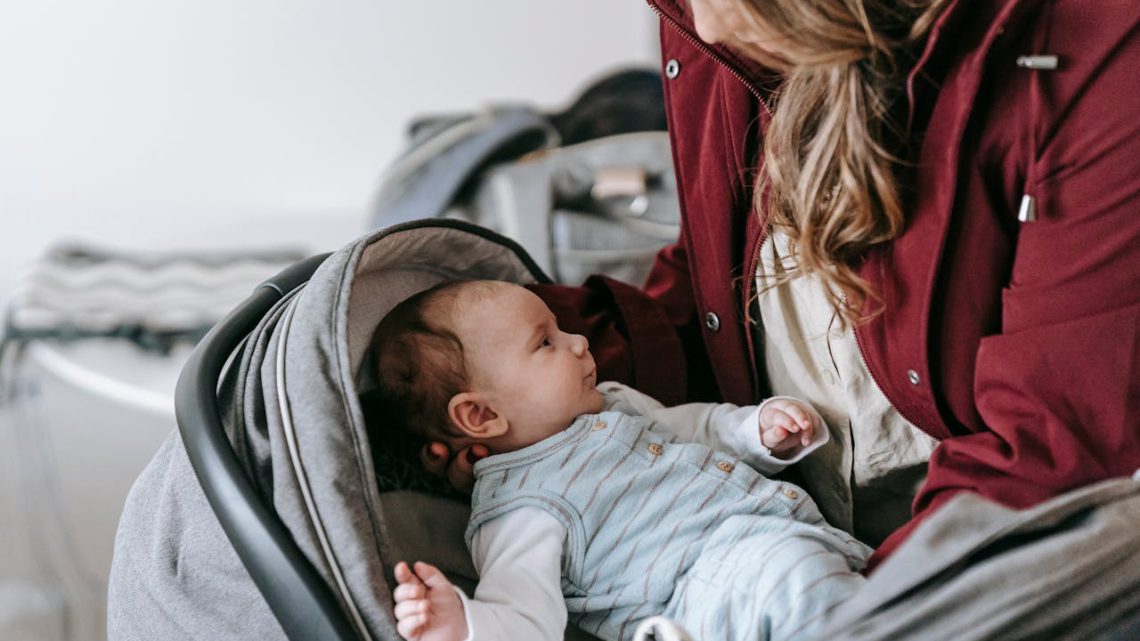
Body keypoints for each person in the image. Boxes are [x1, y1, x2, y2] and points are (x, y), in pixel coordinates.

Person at [422, 0, 1140, 568]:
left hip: (941, 567)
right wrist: (517, 401)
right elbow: (717, 289)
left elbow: (1053, 444)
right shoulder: (717, 29)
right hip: (797, 536)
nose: (702, 25)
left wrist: (854, 604)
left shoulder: (1091, 54)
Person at [374, 280, 871, 641]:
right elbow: (524, 617)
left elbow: (692, 429)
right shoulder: (522, 508)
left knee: (872, 588)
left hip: (790, 544)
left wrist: (755, 431)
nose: (579, 341)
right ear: (482, 414)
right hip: (704, 596)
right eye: (545, 341)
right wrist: (464, 626)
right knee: (806, 583)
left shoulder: (610, 400)